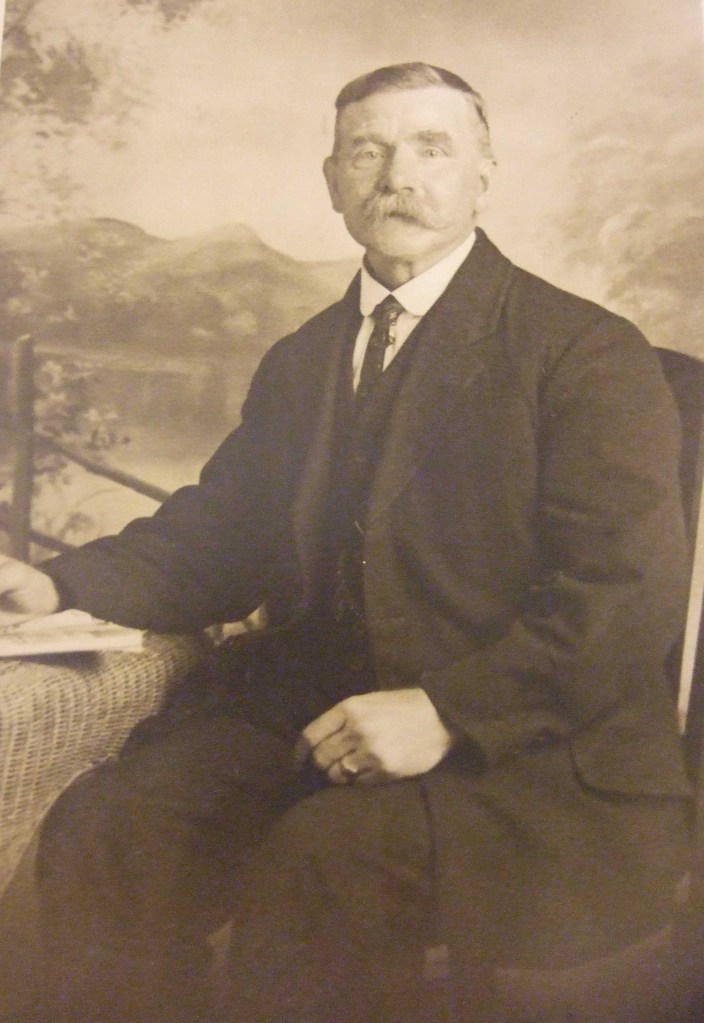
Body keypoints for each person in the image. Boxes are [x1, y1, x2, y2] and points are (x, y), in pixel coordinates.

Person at [0, 62, 692, 1023]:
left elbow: (623, 596)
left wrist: (446, 710)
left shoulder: (583, 352)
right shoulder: (303, 359)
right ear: (332, 183)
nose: (396, 175)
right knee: (112, 824)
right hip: (322, 711)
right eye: (367, 151)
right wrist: (57, 582)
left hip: (527, 745)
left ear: (484, 173)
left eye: (431, 148)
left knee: (323, 865)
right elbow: (218, 536)